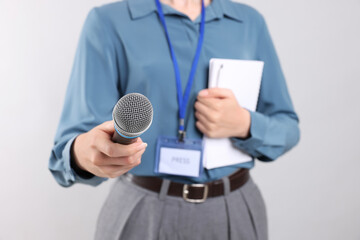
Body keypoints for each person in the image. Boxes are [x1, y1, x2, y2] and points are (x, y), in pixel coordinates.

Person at [49, 0, 300, 239]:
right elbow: (70, 147)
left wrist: (245, 124)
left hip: (233, 208)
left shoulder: (249, 23)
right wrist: (82, 154)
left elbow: (288, 127)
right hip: (143, 210)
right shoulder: (107, 22)